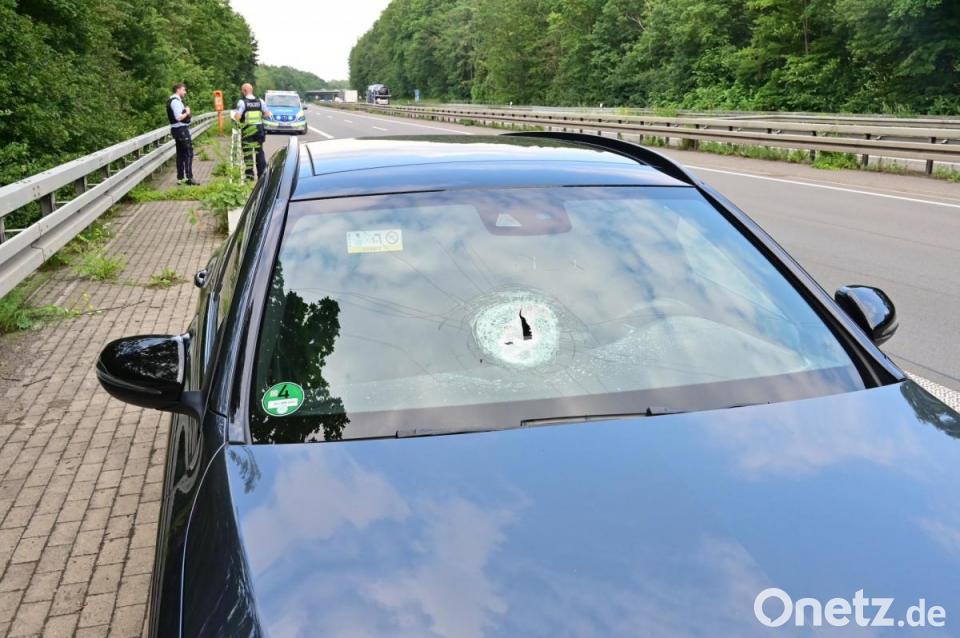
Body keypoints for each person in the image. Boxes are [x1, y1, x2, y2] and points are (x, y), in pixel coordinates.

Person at [233, 83, 271, 179]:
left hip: (247, 130)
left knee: (248, 152)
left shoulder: (242, 103)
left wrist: (236, 117)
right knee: (259, 151)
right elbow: (267, 114)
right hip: (259, 130)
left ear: (245, 91)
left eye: (242, 90)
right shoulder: (260, 101)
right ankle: (261, 174)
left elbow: (237, 117)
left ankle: (249, 175)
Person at [167, 83, 199, 185]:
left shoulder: (173, 101)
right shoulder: (175, 102)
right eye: (183, 90)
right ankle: (189, 178)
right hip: (181, 130)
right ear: (178, 90)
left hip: (177, 130)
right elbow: (178, 117)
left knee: (180, 154)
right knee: (188, 153)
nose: (185, 92)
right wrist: (187, 112)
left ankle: (181, 178)